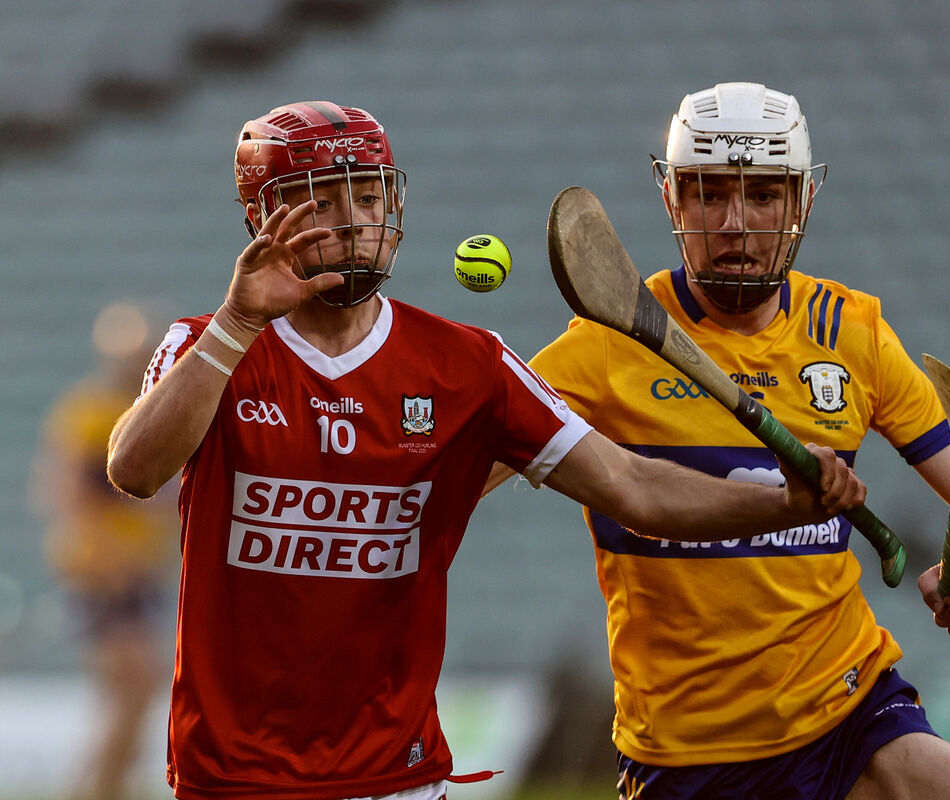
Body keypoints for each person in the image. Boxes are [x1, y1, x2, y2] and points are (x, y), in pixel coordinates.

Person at [104, 100, 867, 800]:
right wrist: (238, 324)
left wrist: (783, 503)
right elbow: (134, 470)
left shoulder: (468, 365)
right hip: (234, 778)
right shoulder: (206, 347)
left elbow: (634, 488)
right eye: (323, 202)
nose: (353, 222)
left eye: (367, 197)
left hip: (397, 775)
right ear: (261, 217)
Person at [488, 83, 950, 799]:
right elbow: (456, 470)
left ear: (801, 202)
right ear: (672, 201)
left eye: (764, 196)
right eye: (709, 194)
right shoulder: (609, 344)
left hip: (848, 712)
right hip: (686, 756)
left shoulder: (852, 332)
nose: (736, 224)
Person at [32, 301, 177, 800]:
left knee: (132, 697)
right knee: (134, 688)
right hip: (104, 575)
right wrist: (107, 558)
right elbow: (67, 493)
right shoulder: (92, 413)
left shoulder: (155, 413)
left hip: (137, 573)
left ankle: (102, 787)